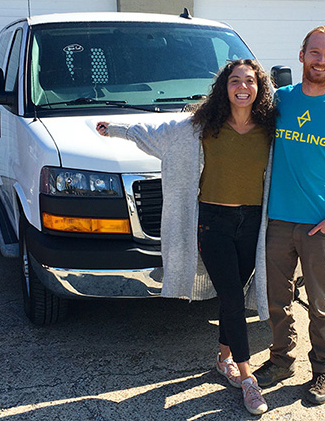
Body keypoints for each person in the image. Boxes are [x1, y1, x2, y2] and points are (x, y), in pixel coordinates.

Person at [97, 59, 275, 415]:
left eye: (250, 81)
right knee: (233, 300)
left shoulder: (271, 130)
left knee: (233, 297)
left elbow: (305, 154)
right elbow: (154, 132)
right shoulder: (200, 127)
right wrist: (114, 128)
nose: (242, 86)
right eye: (234, 80)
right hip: (213, 223)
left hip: (253, 224)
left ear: (259, 88)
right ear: (224, 87)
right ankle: (247, 378)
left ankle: (224, 359)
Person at [253, 22, 325, 405]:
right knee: (276, 298)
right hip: (277, 221)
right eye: (315, 53)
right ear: (302, 55)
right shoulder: (279, 100)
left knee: (321, 302)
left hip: (320, 223)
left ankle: (322, 369)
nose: (321, 61)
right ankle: (281, 361)